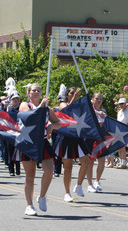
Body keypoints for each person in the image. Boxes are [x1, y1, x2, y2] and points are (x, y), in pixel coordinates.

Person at [19, 83, 61, 216]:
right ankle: (29, 205)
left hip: (43, 141)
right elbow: (30, 117)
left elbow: (58, 123)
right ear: (29, 93)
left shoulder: (47, 109)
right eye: (33, 90)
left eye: (38, 90)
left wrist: (51, 127)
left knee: (49, 170)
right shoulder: (25, 105)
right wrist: (42, 105)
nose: (36, 92)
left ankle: (42, 196)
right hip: (29, 142)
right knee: (30, 176)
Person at [52, 86, 89, 203]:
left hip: (77, 136)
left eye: (75, 93)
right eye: (71, 93)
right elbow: (66, 111)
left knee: (86, 161)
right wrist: (76, 98)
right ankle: (67, 192)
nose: (73, 94)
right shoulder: (63, 104)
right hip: (66, 137)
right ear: (67, 95)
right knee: (68, 167)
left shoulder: (80, 106)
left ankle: (78, 185)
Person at [86, 93, 107, 192]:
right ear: (93, 100)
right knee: (90, 161)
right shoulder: (90, 110)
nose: (99, 100)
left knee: (102, 161)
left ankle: (97, 181)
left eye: (100, 99)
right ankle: (89, 184)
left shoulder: (104, 111)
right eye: (97, 98)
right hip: (91, 137)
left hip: (100, 138)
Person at [116, 98, 128, 168]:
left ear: (125, 104)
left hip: (124, 131)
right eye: (120, 104)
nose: (121, 105)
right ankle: (120, 162)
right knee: (119, 147)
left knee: (122, 148)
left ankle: (124, 163)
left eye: (122, 104)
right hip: (118, 131)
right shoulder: (119, 112)